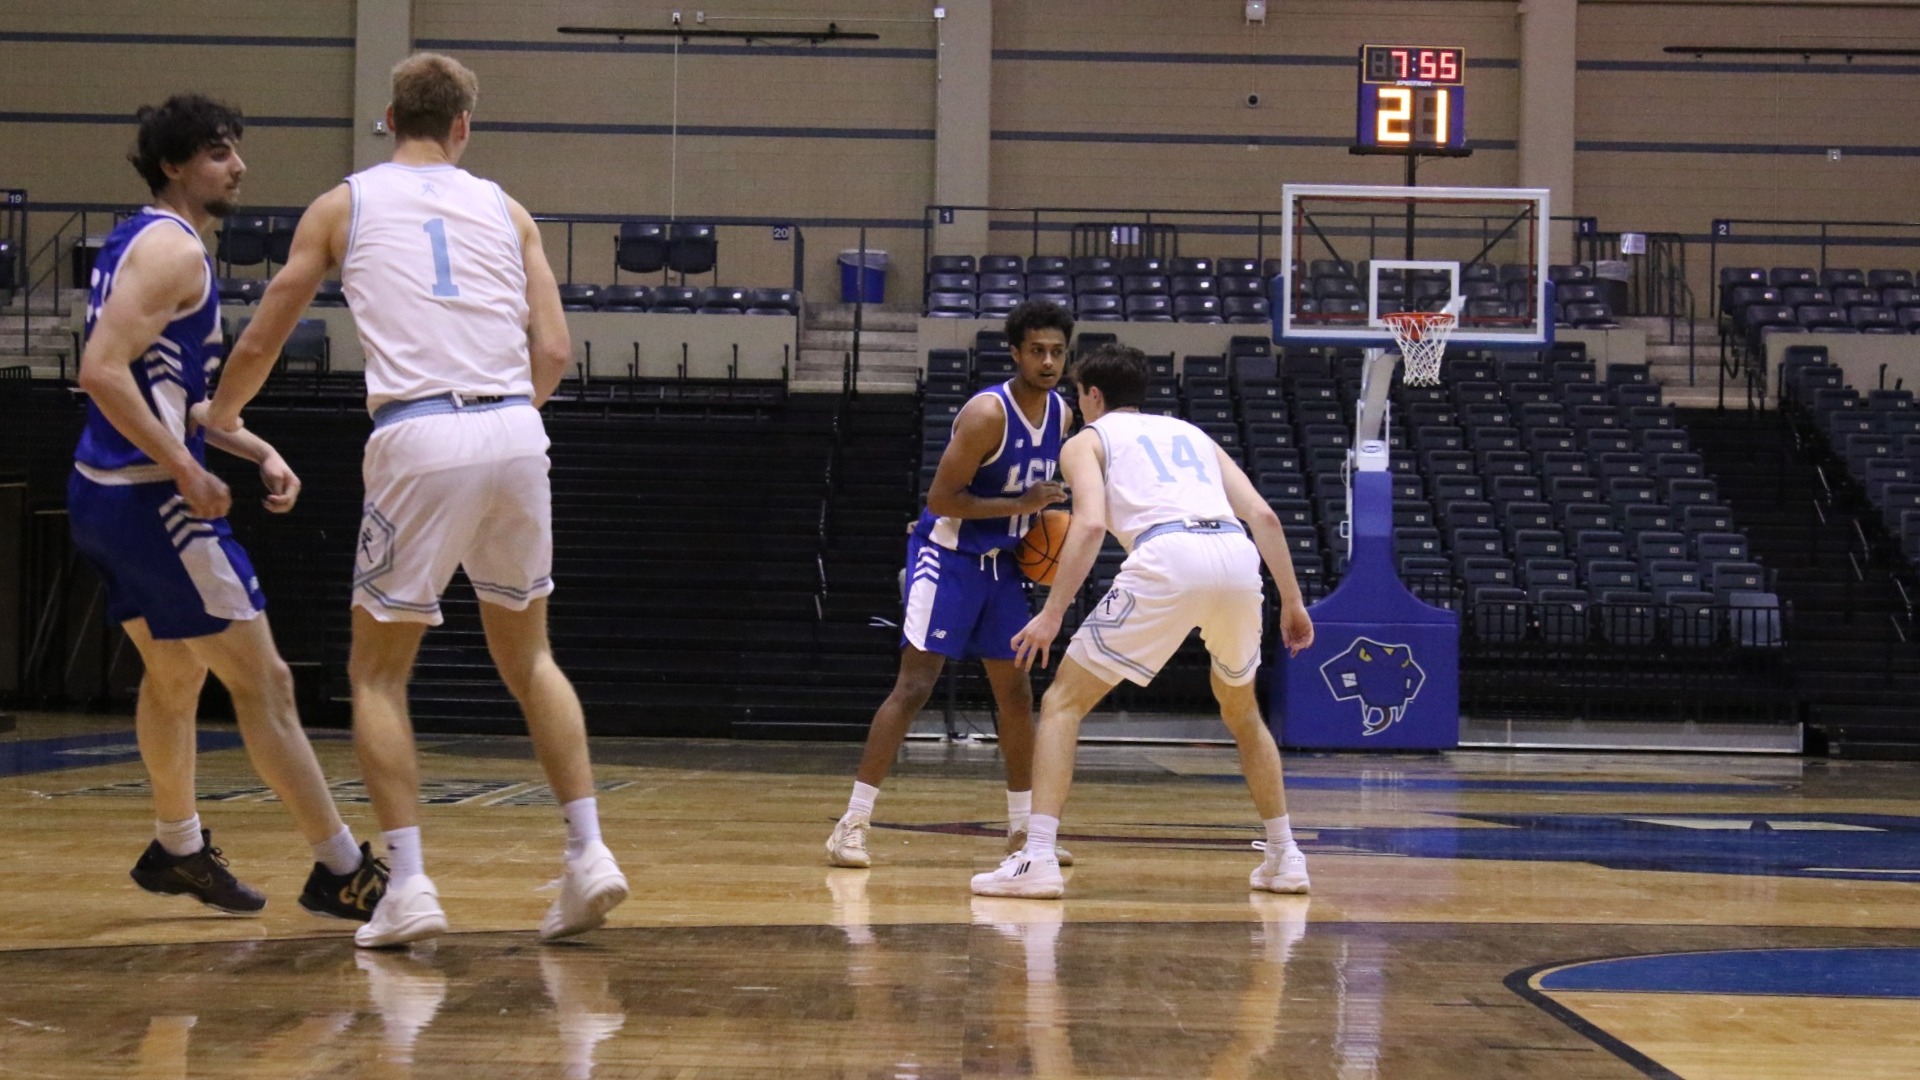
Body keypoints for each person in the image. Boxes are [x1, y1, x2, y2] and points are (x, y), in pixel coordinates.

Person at [209, 53, 625, 947]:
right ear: (464, 127)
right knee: (532, 658)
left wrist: (224, 413)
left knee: (377, 672)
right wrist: (503, 424)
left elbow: (272, 321)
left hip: (420, 434)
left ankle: (410, 888)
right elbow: (552, 350)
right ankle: (589, 854)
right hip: (518, 430)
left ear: (389, 117)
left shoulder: (344, 204)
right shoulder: (509, 211)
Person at [68, 94, 386, 921]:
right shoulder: (175, 253)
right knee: (268, 681)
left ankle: (176, 846)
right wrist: (184, 468)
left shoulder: (139, 240)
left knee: (174, 676)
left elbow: (160, 390)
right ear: (174, 166)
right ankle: (341, 868)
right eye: (216, 152)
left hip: (105, 495)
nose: (236, 164)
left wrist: (253, 448)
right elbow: (100, 371)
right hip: (151, 504)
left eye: (235, 149)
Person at [970, 343, 1316, 899]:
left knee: (1063, 702)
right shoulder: (1193, 435)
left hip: (1167, 556)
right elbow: (1264, 515)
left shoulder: (1087, 440)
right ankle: (1285, 856)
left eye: (1079, 396)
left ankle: (1036, 857)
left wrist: (1052, 614)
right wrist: (1294, 603)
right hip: (1234, 554)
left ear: (1094, 395)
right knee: (1242, 710)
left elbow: (1086, 527)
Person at [825, 300, 1076, 869]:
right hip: (949, 558)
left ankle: (1021, 832)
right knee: (913, 687)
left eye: (1057, 352)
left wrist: (1038, 523)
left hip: (1004, 565)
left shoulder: (1061, 414)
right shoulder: (988, 414)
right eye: (1037, 350)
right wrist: (1021, 504)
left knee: (1016, 694)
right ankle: (852, 824)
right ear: (1015, 353)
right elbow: (940, 500)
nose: (1047, 361)